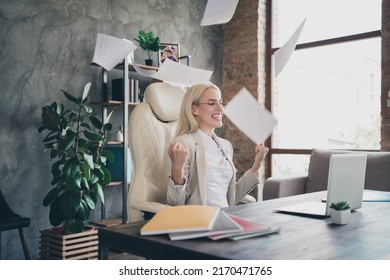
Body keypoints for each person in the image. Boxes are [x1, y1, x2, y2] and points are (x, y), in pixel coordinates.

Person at [166, 83, 269, 207]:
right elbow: (175, 204)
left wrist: (257, 164)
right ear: (194, 109)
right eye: (211, 103)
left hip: (224, 216)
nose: (220, 108)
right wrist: (177, 168)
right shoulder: (183, 144)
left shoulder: (226, 146)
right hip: (200, 220)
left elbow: (231, 197)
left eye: (220, 102)